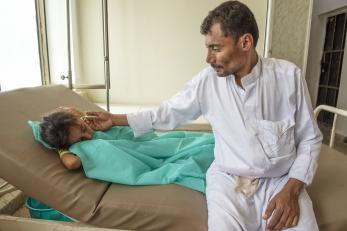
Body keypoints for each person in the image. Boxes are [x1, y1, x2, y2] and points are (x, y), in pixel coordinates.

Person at [86, 1, 323, 230]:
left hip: (281, 180)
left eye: (216, 48)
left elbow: (310, 138)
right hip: (230, 180)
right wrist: (115, 119)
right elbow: (167, 113)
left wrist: (291, 190)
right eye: (208, 48)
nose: (208, 59)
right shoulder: (207, 82)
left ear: (245, 42)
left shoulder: (288, 77)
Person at [36, 107, 214, 193]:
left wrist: (103, 123)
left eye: (83, 129)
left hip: (151, 145)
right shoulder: (74, 148)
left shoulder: (94, 126)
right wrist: (62, 149)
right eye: (81, 139)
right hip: (147, 159)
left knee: (198, 142)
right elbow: (72, 162)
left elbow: (136, 139)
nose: (88, 137)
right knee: (204, 153)